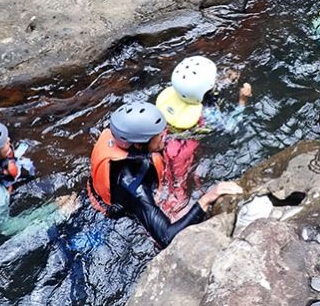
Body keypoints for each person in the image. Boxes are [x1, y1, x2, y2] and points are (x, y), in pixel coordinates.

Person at [87, 101, 243, 248]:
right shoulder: (134, 185)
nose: (165, 135)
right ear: (138, 144)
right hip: (112, 215)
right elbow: (166, 237)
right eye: (159, 135)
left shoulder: (124, 138)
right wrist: (207, 198)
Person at [155, 56, 251, 215]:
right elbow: (230, 127)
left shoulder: (172, 96)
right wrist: (242, 101)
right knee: (177, 190)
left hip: (165, 140)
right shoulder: (207, 115)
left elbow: (204, 91)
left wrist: (227, 80)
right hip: (184, 151)